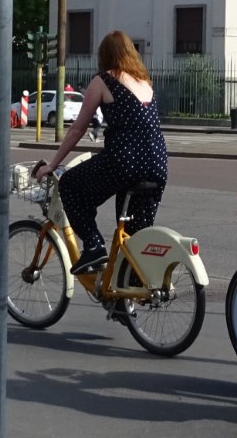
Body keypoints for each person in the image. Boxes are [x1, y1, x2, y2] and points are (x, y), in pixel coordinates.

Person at [31, 31, 168, 277]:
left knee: (71, 185)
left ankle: (93, 246)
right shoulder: (145, 81)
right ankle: (132, 291)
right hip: (158, 163)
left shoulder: (103, 80)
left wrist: (53, 164)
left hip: (125, 161)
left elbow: (77, 129)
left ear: (104, 56)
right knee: (135, 235)